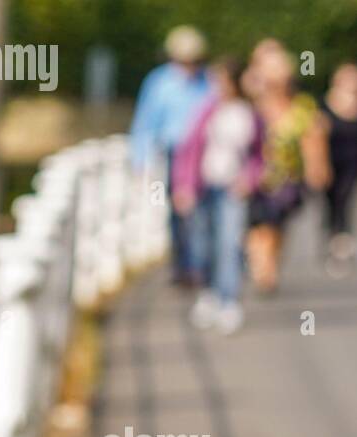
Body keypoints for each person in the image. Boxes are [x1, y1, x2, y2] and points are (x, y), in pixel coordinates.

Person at [172, 57, 263, 334]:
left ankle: (228, 300)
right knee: (202, 242)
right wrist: (183, 186)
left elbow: (259, 154)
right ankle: (208, 292)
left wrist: (250, 180)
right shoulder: (207, 111)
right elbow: (189, 150)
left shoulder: (248, 113)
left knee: (229, 243)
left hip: (231, 188)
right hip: (204, 185)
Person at [129, 25, 213, 284]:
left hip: (203, 154)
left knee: (203, 209)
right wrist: (140, 161)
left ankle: (200, 263)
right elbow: (145, 123)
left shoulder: (208, 82)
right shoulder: (160, 82)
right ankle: (184, 263)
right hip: (174, 154)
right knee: (178, 211)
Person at [244, 44, 331, 293]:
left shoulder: (301, 106)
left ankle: (268, 265)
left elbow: (312, 137)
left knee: (276, 224)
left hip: (287, 178)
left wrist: (318, 168)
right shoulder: (252, 104)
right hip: (255, 177)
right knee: (257, 223)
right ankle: (262, 267)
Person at [322, 62, 357, 266]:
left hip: (352, 162)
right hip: (331, 160)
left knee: (345, 197)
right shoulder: (326, 103)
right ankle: (331, 234)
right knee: (330, 200)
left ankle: (342, 237)